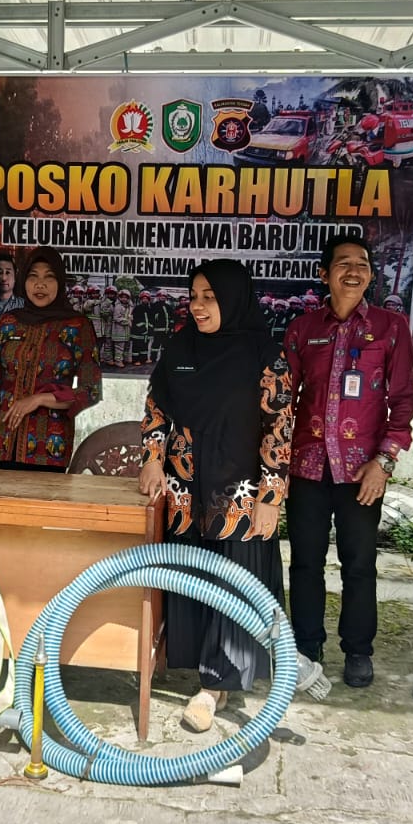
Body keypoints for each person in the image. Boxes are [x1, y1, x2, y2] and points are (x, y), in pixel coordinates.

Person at [138, 259, 295, 732]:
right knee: (192, 576)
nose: (198, 305)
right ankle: (200, 668)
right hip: (185, 487)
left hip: (239, 491)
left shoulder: (266, 354)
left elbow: (279, 428)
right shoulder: (180, 347)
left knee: (233, 581)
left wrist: (271, 497)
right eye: (194, 296)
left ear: (232, 298)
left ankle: (214, 685)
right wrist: (152, 458)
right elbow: (156, 407)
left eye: (210, 296)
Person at [283, 232, 413, 688]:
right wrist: (276, 463)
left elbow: (403, 401)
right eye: (343, 263)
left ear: (371, 275)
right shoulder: (302, 329)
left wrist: (384, 462)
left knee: (359, 564)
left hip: (363, 472)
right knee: (305, 563)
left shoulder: (391, 327)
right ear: (325, 274)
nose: (354, 271)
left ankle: (358, 650)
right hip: (307, 467)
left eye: (362, 263)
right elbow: (283, 400)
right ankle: (306, 648)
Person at [0, 246, 102, 472]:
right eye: (33, 276)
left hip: (49, 451)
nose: (40, 285)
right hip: (1, 445)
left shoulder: (78, 326)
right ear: (24, 281)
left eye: (49, 277)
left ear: (60, 282)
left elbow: (91, 390)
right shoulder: (8, 322)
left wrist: (39, 399)